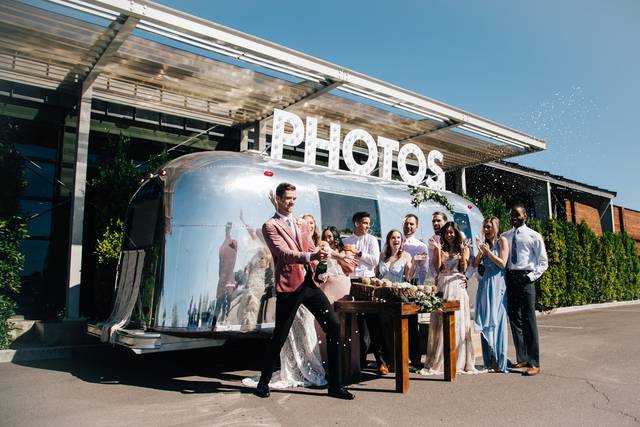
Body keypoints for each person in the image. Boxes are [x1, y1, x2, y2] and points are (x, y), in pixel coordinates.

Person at [254, 182, 354, 400]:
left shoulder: (301, 224)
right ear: (278, 199)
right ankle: (263, 383)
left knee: (334, 327)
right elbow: (284, 253)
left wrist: (334, 256)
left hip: (309, 285)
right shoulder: (270, 226)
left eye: (294, 198)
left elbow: (312, 248)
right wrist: (312, 257)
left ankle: (335, 386)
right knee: (279, 336)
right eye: (288, 198)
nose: (291, 202)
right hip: (289, 287)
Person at [420, 221, 478, 375]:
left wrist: (464, 253)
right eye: (446, 233)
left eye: (451, 232)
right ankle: (440, 358)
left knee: (458, 322)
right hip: (443, 285)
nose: (449, 235)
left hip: (457, 285)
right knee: (440, 321)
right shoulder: (441, 247)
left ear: (456, 233)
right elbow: (438, 267)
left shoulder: (462, 248)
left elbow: (464, 269)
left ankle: (459, 359)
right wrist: (438, 250)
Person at [502, 204, 548, 376]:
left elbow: (543, 262)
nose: (514, 217)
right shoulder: (505, 236)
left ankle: (534, 362)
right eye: (512, 214)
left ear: (525, 216)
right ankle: (522, 357)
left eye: (517, 214)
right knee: (514, 318)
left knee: (529, 319)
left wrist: (530, 277)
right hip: (510, 277)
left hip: (526, 278)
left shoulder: (534, 236)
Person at [342, 212, 387, 375]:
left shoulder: (372, 240)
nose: (368, 226)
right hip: (352, 281)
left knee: (373, 322)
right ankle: (358, 361)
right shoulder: (346, 241)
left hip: (368, 282)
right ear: (356, 223)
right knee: (357, 323)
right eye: (365, 223)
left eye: (369, 223)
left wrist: (359, 253)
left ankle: (380, 361)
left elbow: (375, 261)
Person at [473, 216, 509, 372]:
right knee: (485, 318)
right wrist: (481, 252)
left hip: (498, 283)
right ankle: (488, 360)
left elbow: (502, 263)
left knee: (497, 320)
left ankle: (499, 360)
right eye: (485, 227)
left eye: (489, 227)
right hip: (485, 283)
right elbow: (475, 264)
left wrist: (489, 253)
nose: (487, 230)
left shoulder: (502, 241)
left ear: (495, 227)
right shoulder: (484, 244)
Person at [401, 214, 429, 370]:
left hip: (411, 284)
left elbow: (423, 268)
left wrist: (418, 285)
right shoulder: (396, 241)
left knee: (412, 323)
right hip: (396, 284)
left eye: (411, 224)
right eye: (406, 224)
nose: (408, 226)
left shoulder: (421, 246)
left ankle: (416, 358)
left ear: (416, 226)